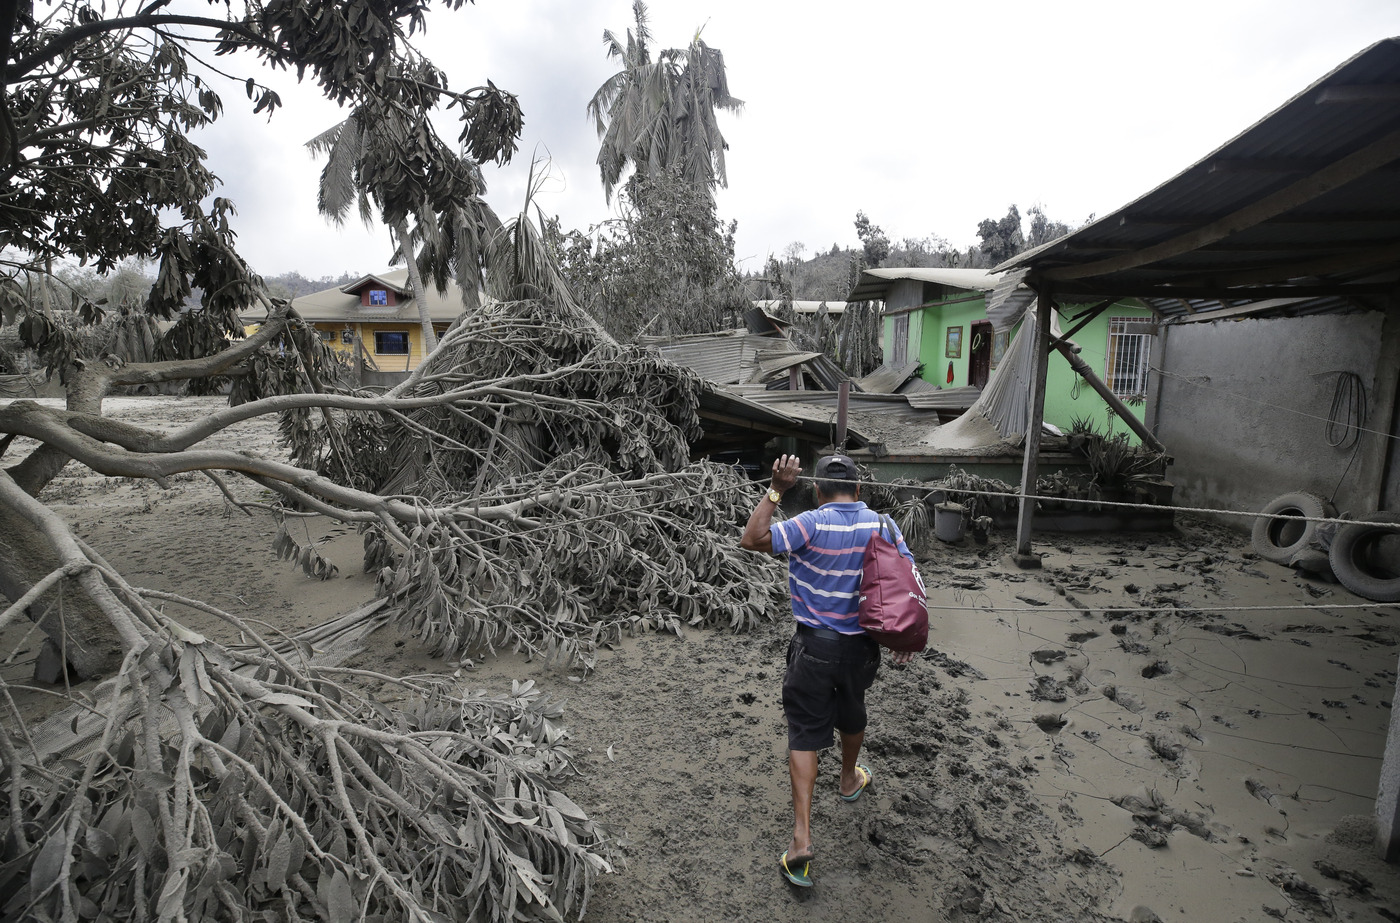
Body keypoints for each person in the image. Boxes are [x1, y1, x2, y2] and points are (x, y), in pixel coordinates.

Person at [739, 452, 917, 888]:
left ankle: (801, 842)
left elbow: (752, 538)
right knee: (852, 708)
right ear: (859, 490)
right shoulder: (884, 524)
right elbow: (906, 580)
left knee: (804, 731)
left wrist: (777, 489)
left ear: (818, 491)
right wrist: (903, 637)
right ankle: (848, 778)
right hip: (863, 650)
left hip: (813, 648)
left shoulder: (810, 523)